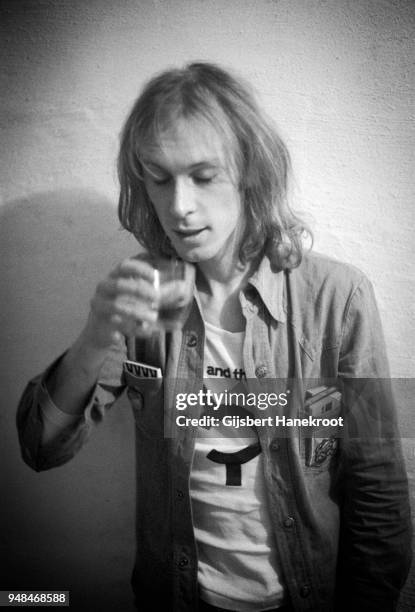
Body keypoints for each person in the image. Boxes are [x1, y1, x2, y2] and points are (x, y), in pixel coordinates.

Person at [17, 62, 412, 612]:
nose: (178, 206)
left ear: (251, 170)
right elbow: (40, 447)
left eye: (203, 176)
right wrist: (94, 335)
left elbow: (379, 492)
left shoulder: (337, 297)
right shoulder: (144, 292)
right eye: (158, 177)